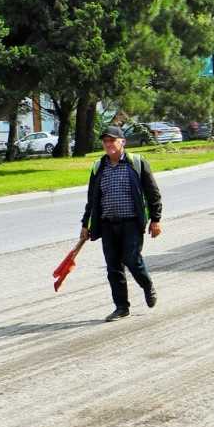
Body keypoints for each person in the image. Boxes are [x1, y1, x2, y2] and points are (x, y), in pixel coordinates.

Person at [80, 126, 164, 322]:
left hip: (131, 223)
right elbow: (92, 199)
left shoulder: (137, 163)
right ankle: (121, 307)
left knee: (132, 259)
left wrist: (156, 219)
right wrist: (85, 224)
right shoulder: (98, 166)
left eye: (112, 140)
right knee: (113, 268)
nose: (109, 144)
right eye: (105, 141)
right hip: (107, 224)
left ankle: (147, 285)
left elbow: (153, 193)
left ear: (122, 142)